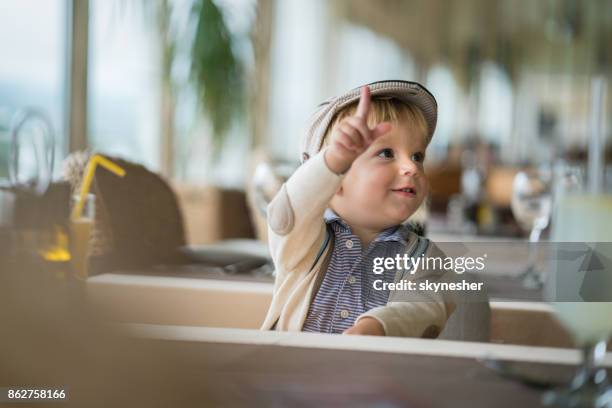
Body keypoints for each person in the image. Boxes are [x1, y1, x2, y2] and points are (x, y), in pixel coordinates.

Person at [260, 80, 456, 337]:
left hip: (377, 376)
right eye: (387, 153)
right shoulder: (304, 243)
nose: (411, 167)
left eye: (418, 156)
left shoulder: (426, 258)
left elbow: (425, 307)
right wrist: (332, 161)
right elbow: (288, 214)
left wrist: (376, 327)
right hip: (289, 374)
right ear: (335, 181)